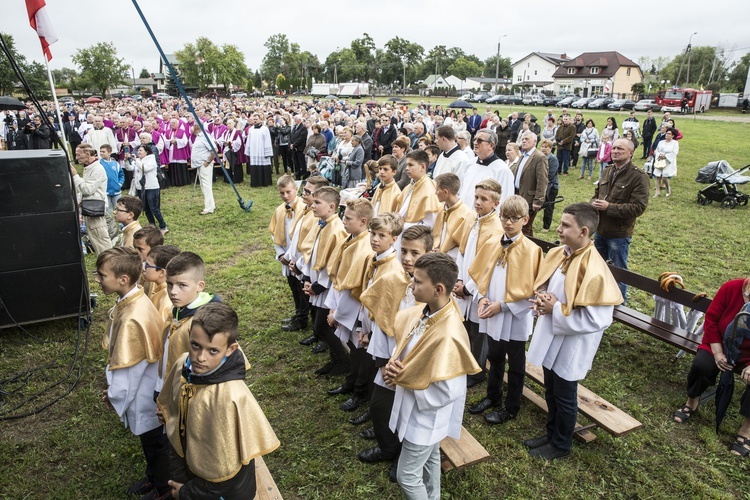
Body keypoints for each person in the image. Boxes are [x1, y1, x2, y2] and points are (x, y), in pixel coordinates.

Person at [525, 203, 623, 460]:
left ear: (583, 231)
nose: (558, 229)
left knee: (565, 395)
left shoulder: (594, 269)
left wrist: (556, 308)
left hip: (572, 343)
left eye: (565, 225)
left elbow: (598, 319)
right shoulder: (561, 253)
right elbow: (548, 282)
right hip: (552, 333)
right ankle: (550, 433)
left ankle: (561, 445)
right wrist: (541, 295)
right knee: (550, 387)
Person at [157, 302, 280, 499]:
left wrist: (186, 493)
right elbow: (175, 403)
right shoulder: (183, 362)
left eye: (212, 350)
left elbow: (224, 480)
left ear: (231, 349)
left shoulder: (230, 397)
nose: (200, 357)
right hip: (185, 463)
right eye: (195, 345)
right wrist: (172, 413)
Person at [385, 252, 481, 499]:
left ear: (438, 289)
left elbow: (451, 390)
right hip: (418, 409)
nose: (411, 284)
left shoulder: (449, 334)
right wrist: (396, 366)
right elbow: (412, 348)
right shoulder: (428, 312)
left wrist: (405, 377)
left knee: (406, 476)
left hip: (426, 416)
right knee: (430, 461)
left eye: (417, 281)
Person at [94, 247, 169, 499]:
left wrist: (113, 394)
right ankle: (152, 478)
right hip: (144, 389)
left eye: (102, 275)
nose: (98, 280)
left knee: (155, 445)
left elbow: (130, 372)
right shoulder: (134, 298)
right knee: (150, 444)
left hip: (144, 394)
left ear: (122, 279)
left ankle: (162, 489)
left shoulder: (132, 317)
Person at [465, 196, 542, 423]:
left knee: (516, 363)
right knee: (494, 355)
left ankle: (511, 406)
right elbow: (481, 276)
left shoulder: (532, 250)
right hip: (491, 310)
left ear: (525, 219)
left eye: (514, 219)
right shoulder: (492, 243)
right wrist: (481, 299)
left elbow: (532, 289)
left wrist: (504, 305)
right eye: (504, 217)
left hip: (514, 315)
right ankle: (493, 396)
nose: (508, 223)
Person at [673, 278, 750, 457]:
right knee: (702, 365)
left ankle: (746, 430)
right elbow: (712, 318)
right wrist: (717, 352)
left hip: (748, 354)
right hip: (720, 342)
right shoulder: (731, 287)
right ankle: (692, 402)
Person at [355, 213, 408, 472]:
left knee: (382, 401)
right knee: (379, 400)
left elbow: (391, 316)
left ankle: (390, 447)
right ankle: (384, 435)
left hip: (389, 345)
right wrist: (364, 328)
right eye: (373, 234)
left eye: (381, 236)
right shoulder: (377, 261)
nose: (375, 240)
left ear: (394, 239)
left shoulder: (394, 270)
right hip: (375, 335)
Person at [324, 198, 375, 413]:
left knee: (361, 353)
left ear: (363, 222)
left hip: (355, 310)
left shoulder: (364, 248)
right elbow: (340, 278)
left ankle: (359, 391)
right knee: (354, 350)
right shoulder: (352, 239)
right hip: (343, 304)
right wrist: (332, 306)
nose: (343, 221)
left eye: (348, 218)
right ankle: (351, 381)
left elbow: (354, 288)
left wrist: (337, 312)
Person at [453, 179, 504, 388]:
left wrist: (468, 288)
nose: (478, 202)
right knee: (465, 326)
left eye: (484, 199)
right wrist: (458, 279)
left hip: (478, 287)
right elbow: (463, 251)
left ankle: (477, 370)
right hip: (463, 280)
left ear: (495, 203)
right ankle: (463, 362)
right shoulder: (474, 220)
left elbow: (486, 266)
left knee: (478, 331)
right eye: (476, 197)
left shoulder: (495, 229)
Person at [296, 187, 349, 375]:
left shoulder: (337, 229)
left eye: (318, 203)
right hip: (318, 283)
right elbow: (314, 251)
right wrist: (309, 278)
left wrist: (319, 286)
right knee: (322, 326)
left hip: (328, 287)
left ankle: (343, 361)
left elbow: (335, 262)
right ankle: (335, 360)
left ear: (332, 206)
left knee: (322, 327)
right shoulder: (322, 223)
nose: (313, 206)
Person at [156, 251, 223, 394]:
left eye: (182, 285)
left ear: (200, 286)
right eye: (169, 284)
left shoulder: (208, 323)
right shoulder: (178, 310)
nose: (173, 292)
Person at [592, 138, 649, 302]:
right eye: (614, 148)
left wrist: (609, 207)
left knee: (619, 271)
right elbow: (597, 193)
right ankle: (596, 297)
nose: (615, 151)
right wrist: (593, 203)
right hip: (600, 229)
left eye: (620, 149)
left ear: (631, 153)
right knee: (597, 266)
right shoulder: (608, 170)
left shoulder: (639, 177)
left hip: (619, 233)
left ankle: (619, 303)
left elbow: (638, 207)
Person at [270, 175, 307, 332]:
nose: (285, 196)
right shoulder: (279, 210)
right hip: (285, 256)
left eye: (288, 192)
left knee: (301, 288)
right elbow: (274, 233)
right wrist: (280, 254)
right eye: (282, 193)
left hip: (298, 258)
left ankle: (302, 318)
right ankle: (298, 312)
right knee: (293, 287)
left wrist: (292, 257)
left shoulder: (304, 209)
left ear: (296, 189)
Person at [71, 143, 113, 254]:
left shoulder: (97, 169)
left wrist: (75, 176)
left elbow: (88, 189)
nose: (76, 158)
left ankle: (111, 265)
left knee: (101, 239)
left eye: (78, 155)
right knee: (95, 239)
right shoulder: (89, 168)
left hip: (96, 209)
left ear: (88, 153)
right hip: (89, 209)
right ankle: (103, 265)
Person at [459, 128, 514, 208]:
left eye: (479, 140)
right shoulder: (470, 163)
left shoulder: (502, 170)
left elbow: (504, 201)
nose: (475, 143)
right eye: (474, 139)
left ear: (491, 145)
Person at [510, 133, 548, 237]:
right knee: (519, 225)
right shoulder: (523, 156)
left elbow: (542, 180)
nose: (524, 141)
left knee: (525, 226)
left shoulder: (539, 157)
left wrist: (538, 200)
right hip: (518, 194)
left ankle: (526, 249)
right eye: (522, 139)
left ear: (535, 142)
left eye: (527, 139)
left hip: (529, 198)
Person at [396, 149, 441, 237]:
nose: (407, 168)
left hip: (415, 238)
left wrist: (403, 225)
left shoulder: (429, 190)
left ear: (423, 167)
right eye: (406, 165)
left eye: (410, 165)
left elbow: (429, 225)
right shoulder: (410, 186)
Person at [433, 173, 473, 261]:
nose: (435, 193)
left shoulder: (466, 214)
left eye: (437, 190)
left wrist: (442, 253)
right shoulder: (442, 208)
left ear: (445, 192)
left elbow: (462, 247)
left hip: (452, 260)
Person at [131, 145, 168, 235]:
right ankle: (152, 226)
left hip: (151, 187)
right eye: (138, 150)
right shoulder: (138, 160)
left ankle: (163, 226)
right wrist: (127, 161)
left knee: (154, 208)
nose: (138, 152)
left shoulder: (151, 159)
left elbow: (146, 168)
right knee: (146, 208)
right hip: (141, 187)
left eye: (140, 150)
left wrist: (136, 161)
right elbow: (130, 168)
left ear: (146, 152)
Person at [143, 244, 180, 324]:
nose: (143, 269)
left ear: (162, 272)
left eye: (147, 265)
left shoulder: (166, 302)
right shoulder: (158, 286)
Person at [191, 124, 217, 215]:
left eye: (192, 126)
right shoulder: (198, 137)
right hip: (199, 164)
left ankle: (208, 208)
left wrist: (208, 161)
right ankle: (211, 205)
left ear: (196, 127)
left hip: (204, 164)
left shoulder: (205, 136)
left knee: (206, 185)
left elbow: (214, 149)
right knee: (204, 185)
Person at [245, 113, 274, 187]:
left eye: (256, 119)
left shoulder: (265, 129)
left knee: (263, 166)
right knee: (254, 167)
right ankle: (255, 182)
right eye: (254, 119)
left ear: (260, 120)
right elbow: (248, 140)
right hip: (254, 151)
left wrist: (267, 152)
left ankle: (265, 182)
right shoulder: (251, 129)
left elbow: (267, 140)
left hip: (262, 151)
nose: (255, 121)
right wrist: (248, 150)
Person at [539, 139, 560, 233]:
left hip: (551, 187)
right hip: (541, 185)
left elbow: (550, 175)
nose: (543, 149)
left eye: (546, 147)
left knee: (548, 206)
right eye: (542, 147)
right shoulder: (539, 157)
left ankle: (546, 227)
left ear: (550, 148)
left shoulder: (553, 159)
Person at [653, 128, 679, 198]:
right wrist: (659, 155)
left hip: (668, 161)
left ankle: (668, 189)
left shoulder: (675, 143)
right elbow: (657, 150)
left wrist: (666, 156)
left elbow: (674, 153)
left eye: (669, 134)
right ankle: (657, 192)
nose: (667, 135)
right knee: (657, 176)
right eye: (667, 133)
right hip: (659, 160)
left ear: (673, 135)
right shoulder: (661, 142)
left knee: (664, 177)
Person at [164, 118, 190, 187]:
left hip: (179, 151)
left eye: (174, 123)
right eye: (171, 123)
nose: (172, 124)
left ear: (178, 124)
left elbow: (185, 141)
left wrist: (176, 141)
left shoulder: (182, 131)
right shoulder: (167, 132)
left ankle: (182, 182)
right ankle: (173, 182)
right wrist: (169, 141)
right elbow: (164, 140)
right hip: (171, 151)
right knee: (172, 166)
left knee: (180, 166)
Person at [99, 144, 124, 212]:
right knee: (107, 211)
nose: (101, 153)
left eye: (103, 152)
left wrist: (119, 184)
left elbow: (121, 175)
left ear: (109, 153)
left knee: (119, 210)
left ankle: (121, 223)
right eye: (100, 151)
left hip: (116, 192)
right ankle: (109, 223)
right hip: (105, 192)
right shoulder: (99, 164)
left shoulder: (115, 164)